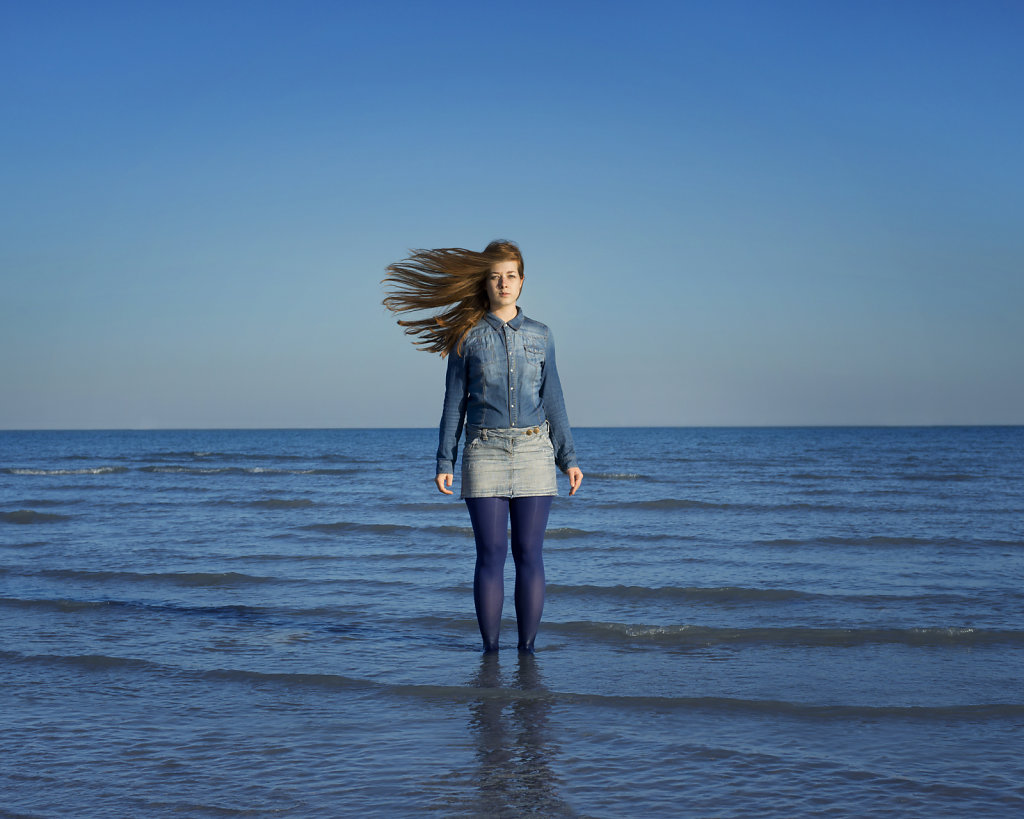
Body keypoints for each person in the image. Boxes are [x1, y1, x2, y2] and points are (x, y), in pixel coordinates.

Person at [383, 240, 583, 653]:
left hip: (534, 452)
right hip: (484, 451)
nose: (503, 283)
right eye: (495, 276)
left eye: (510, 275)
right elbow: (454, 402)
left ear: (522, 281)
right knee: (490, 556)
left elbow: (554, 398)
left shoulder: (541, 335)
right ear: (485, 282)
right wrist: (445, 458)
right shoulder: (466, 337)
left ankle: (527, 654)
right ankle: (490, 655)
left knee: (529, 554)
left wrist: (569, 458)